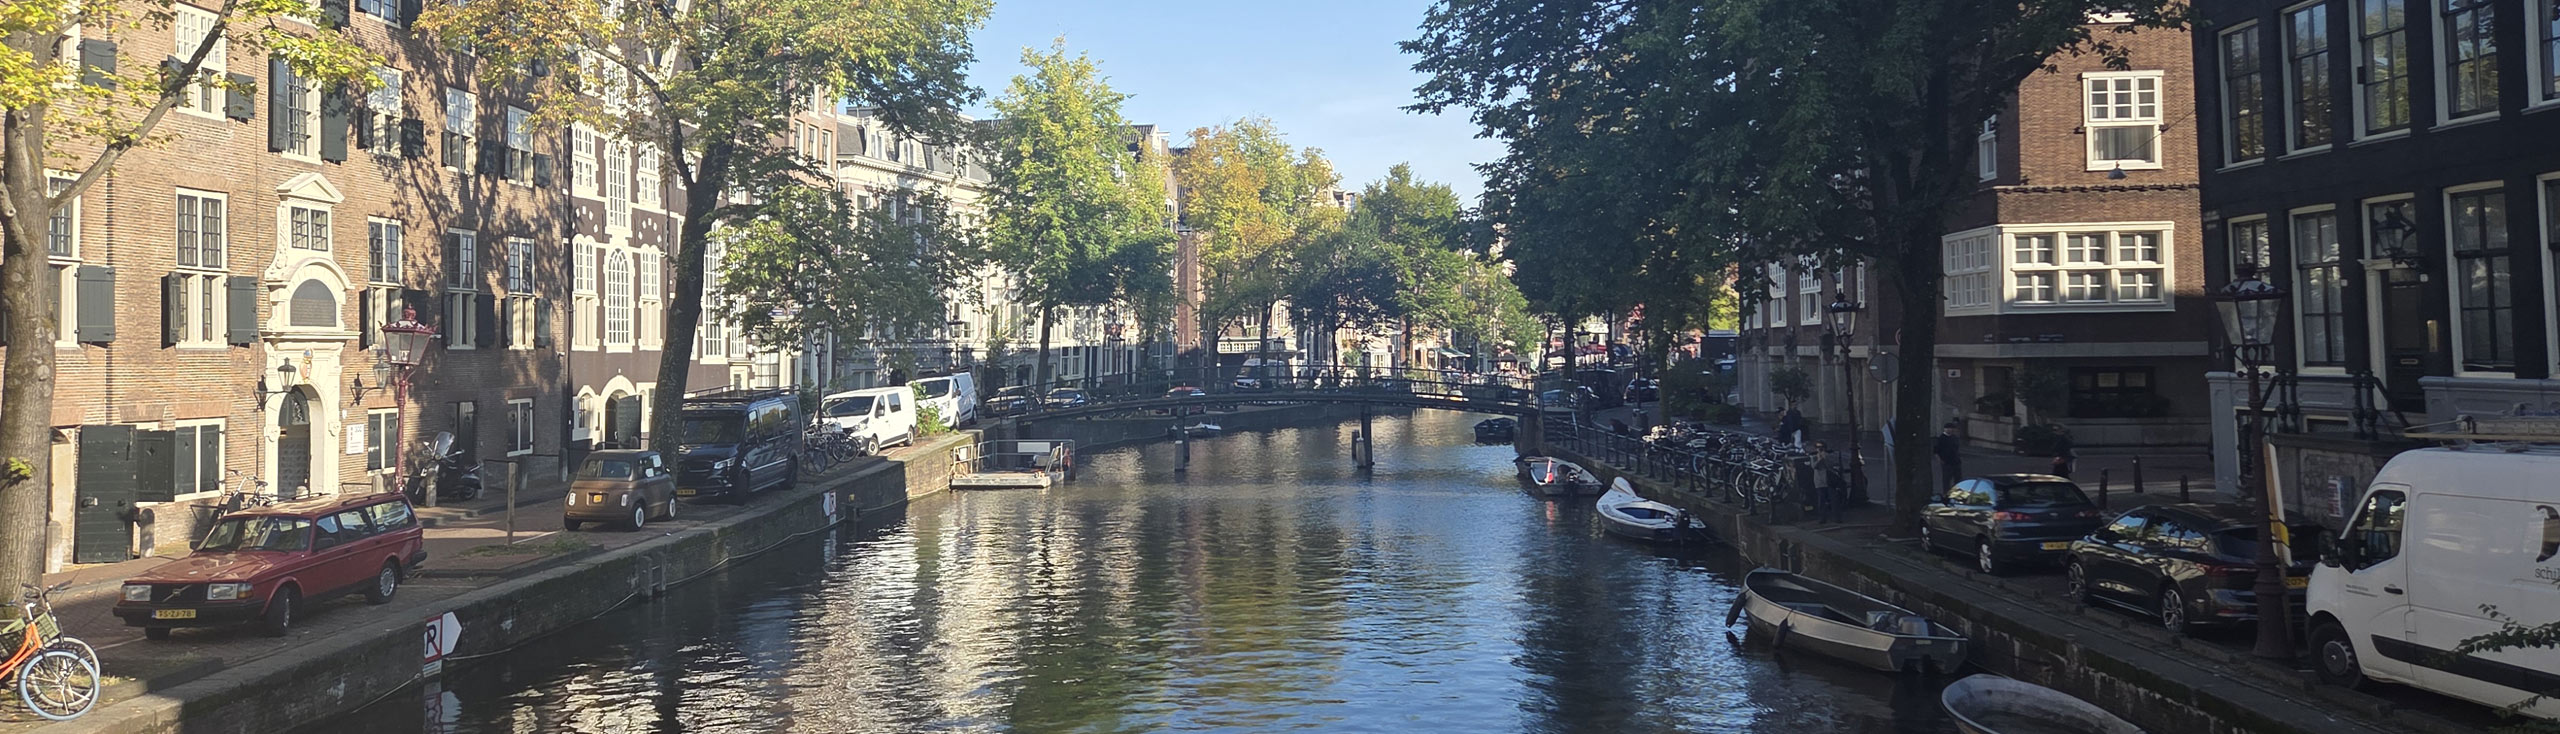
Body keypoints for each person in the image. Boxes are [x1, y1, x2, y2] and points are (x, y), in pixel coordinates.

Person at [1812, 441, 1848, 523]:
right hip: (1819, 482)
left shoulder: (1828, 456)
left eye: (1821, 448)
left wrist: (1826, 458)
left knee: (1834, 500)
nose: (1819, 449)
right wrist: (1820, 459)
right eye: (1818, 448)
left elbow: (1833, 465)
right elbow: (1814, 466)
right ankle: (1822, 518)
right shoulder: (1814, 456)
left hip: (1829, 481)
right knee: (1821, 501)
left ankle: (1837, 517)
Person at [1932, 421, 1964, 492]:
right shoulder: (1941, 438)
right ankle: (1946, 493)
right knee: (1946, 480)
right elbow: (1936, 451)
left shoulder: (1954, 438)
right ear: (1945, 429)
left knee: (1958, 479)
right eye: (1949, 428)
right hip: (1946, 462)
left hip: (1956, 461)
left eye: (1952, 428)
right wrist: (1940, 460)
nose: (1951, 430)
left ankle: (1957, 492)